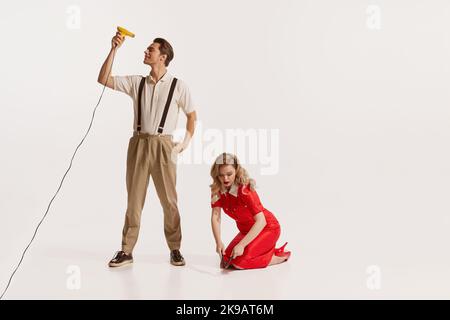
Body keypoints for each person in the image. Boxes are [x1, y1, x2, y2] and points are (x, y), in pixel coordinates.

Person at [97, 31, 197, 267]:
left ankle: (175, 248)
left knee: (169, 201)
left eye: (150, 50)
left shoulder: (178, 86)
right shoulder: (137, 82)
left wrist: (185, 142)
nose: (145, 52)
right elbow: (103, 78)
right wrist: (114, 49)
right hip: (139, 144)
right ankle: (126, 250)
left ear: (163, 57)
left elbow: (192, 115)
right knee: (134, 201)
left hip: (164, 145)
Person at [210, 153, 291, 269]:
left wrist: (242, 244)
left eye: (229, 174)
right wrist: (218, 242)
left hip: (267, 227)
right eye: (221, 175)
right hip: (246, 231)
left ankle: (275, 257)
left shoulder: (244, 190)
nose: (225, 179)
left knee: (239, 263)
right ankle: (263, 250)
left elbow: (261, 221)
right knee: (226, 261)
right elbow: (215, 217)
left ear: (236, 171)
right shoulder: (217, 189)